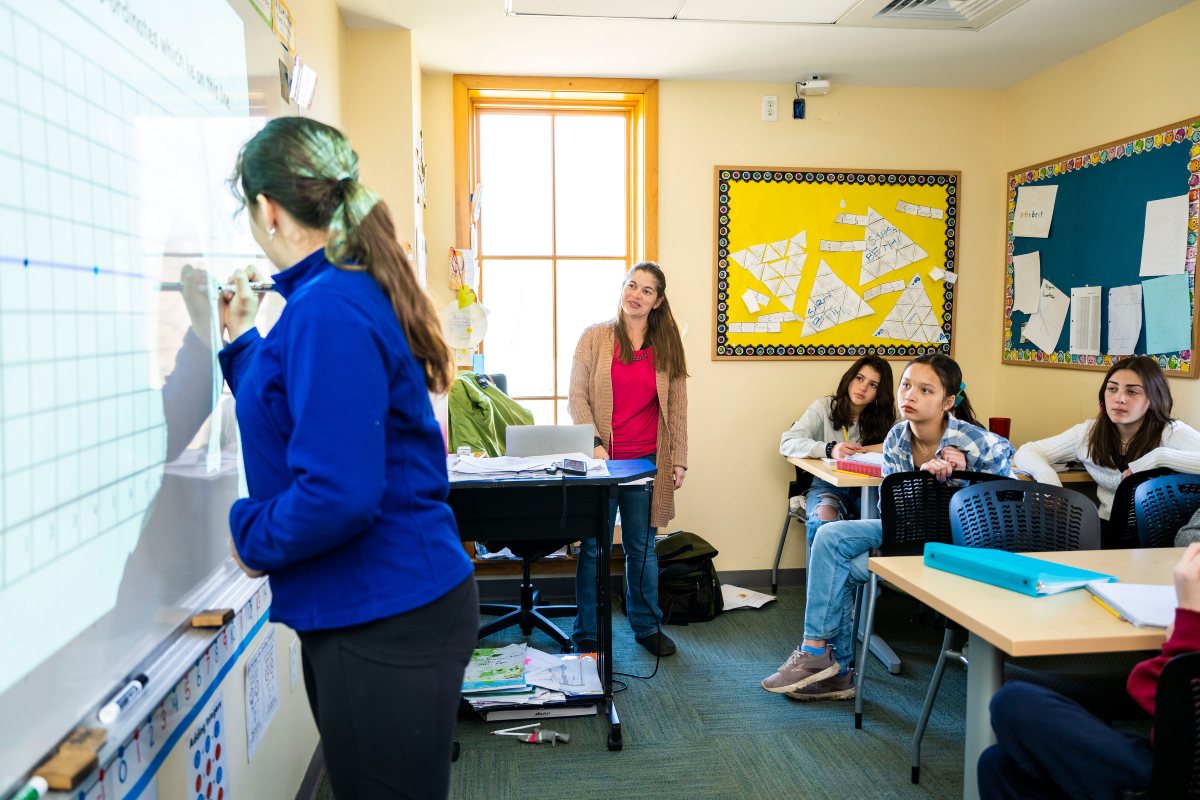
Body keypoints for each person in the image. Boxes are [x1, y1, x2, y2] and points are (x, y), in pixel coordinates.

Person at [218, 117, 478, 799]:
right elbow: (292, 412)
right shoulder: (330, 296)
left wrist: (252, 535)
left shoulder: (328, 307)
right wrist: (242, 340)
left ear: (268, 209)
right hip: (383, 605)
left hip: (385, 615)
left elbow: (340, 494)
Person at [762, 353, 1014, 700]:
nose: (910, 395)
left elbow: (1007, 501)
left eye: (925, 390)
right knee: (828, 534)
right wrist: (920, 489)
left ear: (948, 401)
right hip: (907, 532)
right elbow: (891, 512)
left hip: (960, 541)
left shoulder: (976, 441)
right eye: (907, 385)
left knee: (845, 567)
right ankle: (816, 650)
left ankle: (837, 671)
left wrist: (965, 472)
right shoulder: (896, 437)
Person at [978, 542, 1200, 799]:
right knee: (998, 767)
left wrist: (1188, 625)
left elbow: (1168, 699)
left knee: (1013, 703)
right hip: (1170, 753)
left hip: (1180, 771)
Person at [569, 261, 689, 657]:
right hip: (601, 462)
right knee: (593, 547)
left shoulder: (667, 344)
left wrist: (679, 458)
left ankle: (645, 624)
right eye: (631, 285)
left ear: (657, 302)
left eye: (646, 290)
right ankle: (586, 629)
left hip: (644, 464)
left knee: (642, 548)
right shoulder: (595, 337)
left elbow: (678, 408)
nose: (635, 295)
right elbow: (577, 398)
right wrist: (596, 444)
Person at [1014, 355, 1200, 528]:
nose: (1119, 399)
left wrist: (1159, 457)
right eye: (1112, 389)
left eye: (1132, 392)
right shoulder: (1089, 433)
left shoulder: (1169, 432)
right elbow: (1028, 451)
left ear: (1153, 399)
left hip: (1158, 538)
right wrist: (1047, 477)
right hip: (1104, 532)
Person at [780, 356, 896, 547]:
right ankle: (832, 573)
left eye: (873, 384)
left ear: (879, 393)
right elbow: (787, 443)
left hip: (872, 490)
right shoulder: (824, 407)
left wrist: (865, 450)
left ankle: (862, 576)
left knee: (888, 527)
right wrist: (829, 449)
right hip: (829, 486)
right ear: (850, 378)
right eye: (860, 378)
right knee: (822, 523)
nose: (863, 387)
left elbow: (905, 444)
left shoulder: (888, 417)